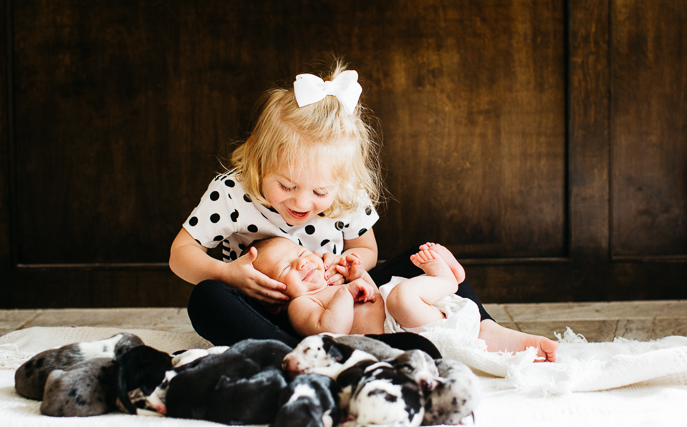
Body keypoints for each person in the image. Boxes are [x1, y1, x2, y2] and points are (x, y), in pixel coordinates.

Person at [169, 60, 558, 361]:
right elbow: (180, 256)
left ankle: (484, 330)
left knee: (413, 259)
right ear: (257, 161)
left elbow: (366, 251)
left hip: (347, 305)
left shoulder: (347, 194)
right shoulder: (233, 191)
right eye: (286, 186)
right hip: (269, 312)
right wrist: (229, 275)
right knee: (207, 299)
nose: (301, 203)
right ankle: (300, 354)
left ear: (340, 181)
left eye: (320, 191)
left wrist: (348, 266)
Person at [250, 237, 482, 340]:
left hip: (406, 318)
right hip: (400, 330)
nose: (301, 263)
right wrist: (347, 292)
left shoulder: (333, 282)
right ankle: (445, 279)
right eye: (285, 268)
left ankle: (446, 281)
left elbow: (375, 298)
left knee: (398, 295)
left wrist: (360, 276)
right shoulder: (300, 304)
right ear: (275, 294)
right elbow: (331, 331)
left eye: (301, 253)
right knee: (401, 297)